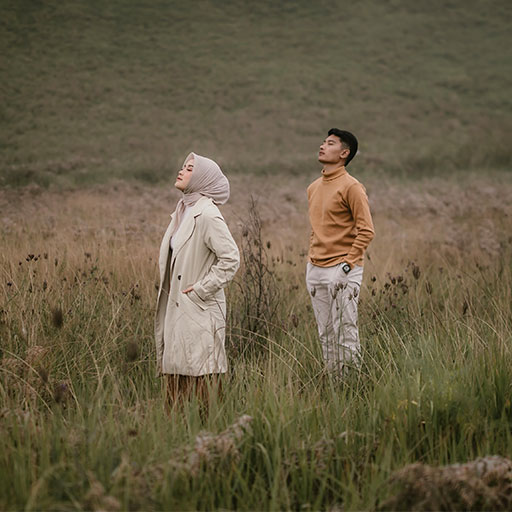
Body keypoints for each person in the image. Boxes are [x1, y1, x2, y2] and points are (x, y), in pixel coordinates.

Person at [154, 152, 240, 410]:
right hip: (179, 305)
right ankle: (177, 429)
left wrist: (201, 290)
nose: (181, 170)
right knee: (178, 373)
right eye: (183, 166)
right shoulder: (182, 211)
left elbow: (231, 258)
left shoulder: (207, 214)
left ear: (202, 178)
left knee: (203, 373)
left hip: (198, 307)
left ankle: (211, 429)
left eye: (190, 168)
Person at [306, 128, 375, 375]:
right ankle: (334, 385)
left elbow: (367, 230)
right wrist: (311, 263)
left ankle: (352, 386)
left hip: (343, 269)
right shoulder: (313, 187)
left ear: (344, 153)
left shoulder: (352, 187)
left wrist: (347, 265)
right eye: (323, 142)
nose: (322, 146)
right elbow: (316, 228)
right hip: (315, 269)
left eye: (330, 143)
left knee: (345, 332)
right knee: (325, 334)